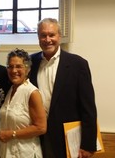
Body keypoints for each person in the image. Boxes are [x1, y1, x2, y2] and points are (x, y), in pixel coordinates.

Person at [29, 18, 98, 158]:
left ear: (59, 36)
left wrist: (88, 144)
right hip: (35, 137)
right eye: (43, 35)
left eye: (51, 35)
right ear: (38, 37)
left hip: (68, 139)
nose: (47, 39)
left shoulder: (78, 64)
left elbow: (88, 108)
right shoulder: (30, 63)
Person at [0, 48, 47, 158]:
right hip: (7, 152)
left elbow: (41, 127)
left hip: (26, 153)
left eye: (19, 66)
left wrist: (12, 134)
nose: (14, 70)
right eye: (10, 66)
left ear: (27, 69)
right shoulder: (10, 90)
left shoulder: (32, 92)